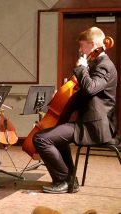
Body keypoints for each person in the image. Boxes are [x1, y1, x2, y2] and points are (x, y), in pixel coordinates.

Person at [32, 27, 117, 194]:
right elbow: (86, 94)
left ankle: (64, 179)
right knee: (54, 137)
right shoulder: (96, 64)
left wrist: (81, 69)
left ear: (92, 45)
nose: (80, 50)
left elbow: (91, 89)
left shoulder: (104, 66)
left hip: (94, 126)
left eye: (82, 46)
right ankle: (69, 180)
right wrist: (64, 94)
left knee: (41, 139)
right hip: (86, 121)